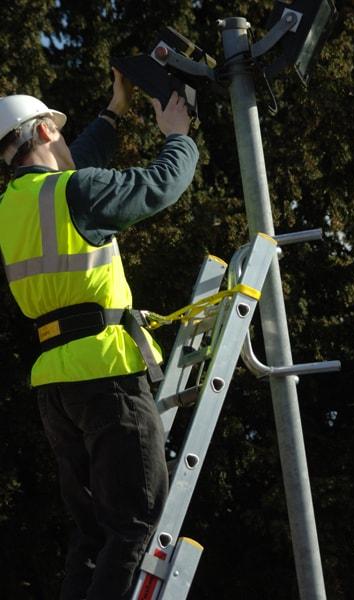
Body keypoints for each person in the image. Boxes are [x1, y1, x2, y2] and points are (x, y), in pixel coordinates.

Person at [0, 69, 198, 600]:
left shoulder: (12, 209)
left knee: (91, 538)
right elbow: (158, 185)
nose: (66, 141)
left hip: (55, 388)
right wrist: (178, 135)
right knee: (135, 526)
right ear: (43, 132)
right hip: (108, 376)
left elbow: (74, 169)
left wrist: (115, 108)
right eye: (58, 132)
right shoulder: (74, 194)